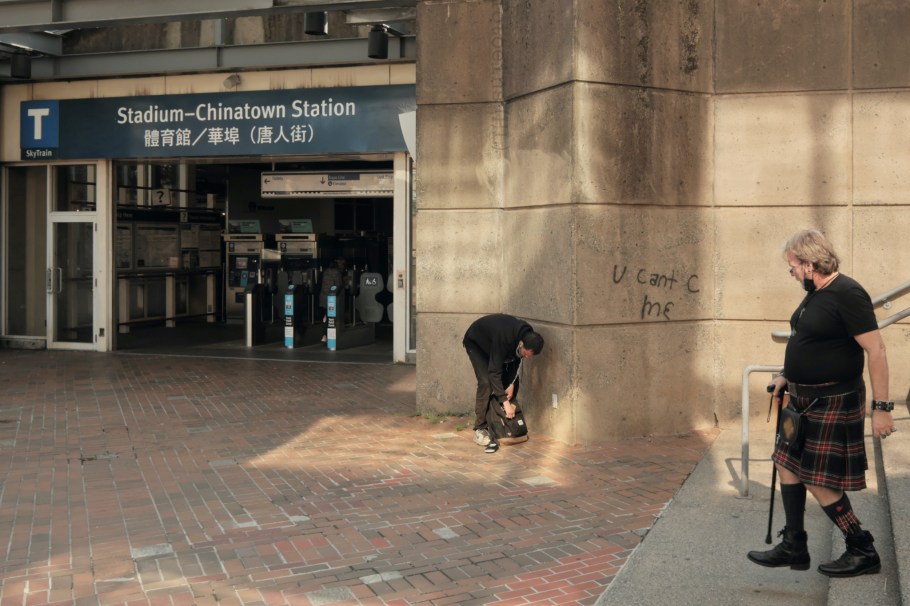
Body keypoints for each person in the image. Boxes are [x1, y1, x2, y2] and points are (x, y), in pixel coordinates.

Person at [747, 228, 897, 577]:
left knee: (816, 479)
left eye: (793, 267)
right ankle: (794, 546)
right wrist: (787, 373)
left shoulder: (848, 293)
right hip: (802, 399)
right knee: (785, 464)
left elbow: (876, 349)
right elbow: (811, 339)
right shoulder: (816, 293)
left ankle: (862, 548)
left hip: (833, 401)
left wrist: (882, 408)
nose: (792, 273)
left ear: (810, 263)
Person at [463, 314, 544, 453]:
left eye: (529, 355)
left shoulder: (526, 335)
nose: (526, 357)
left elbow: (518, 360)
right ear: (521, 344)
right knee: (486, 382)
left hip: (495, 344)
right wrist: (505, 403)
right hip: (476, 343)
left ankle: (500, 422)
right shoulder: (504, 339)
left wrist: (511, 383)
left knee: (511, 384)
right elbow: (494, 372)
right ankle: (480, 429)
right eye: (526, 353)